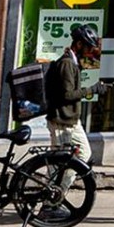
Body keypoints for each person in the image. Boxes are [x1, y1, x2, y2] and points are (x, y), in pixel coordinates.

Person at [45, 24, 97, 168]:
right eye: (88, 47)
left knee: (84, 154)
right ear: (79, 44)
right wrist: (92, 89)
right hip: (61, 121)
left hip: (71, 121)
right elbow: (67, 95)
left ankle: (62, 181)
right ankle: (59, 182)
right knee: (60, 162)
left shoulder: (73, 63)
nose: (90, 51)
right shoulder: (66, 63)